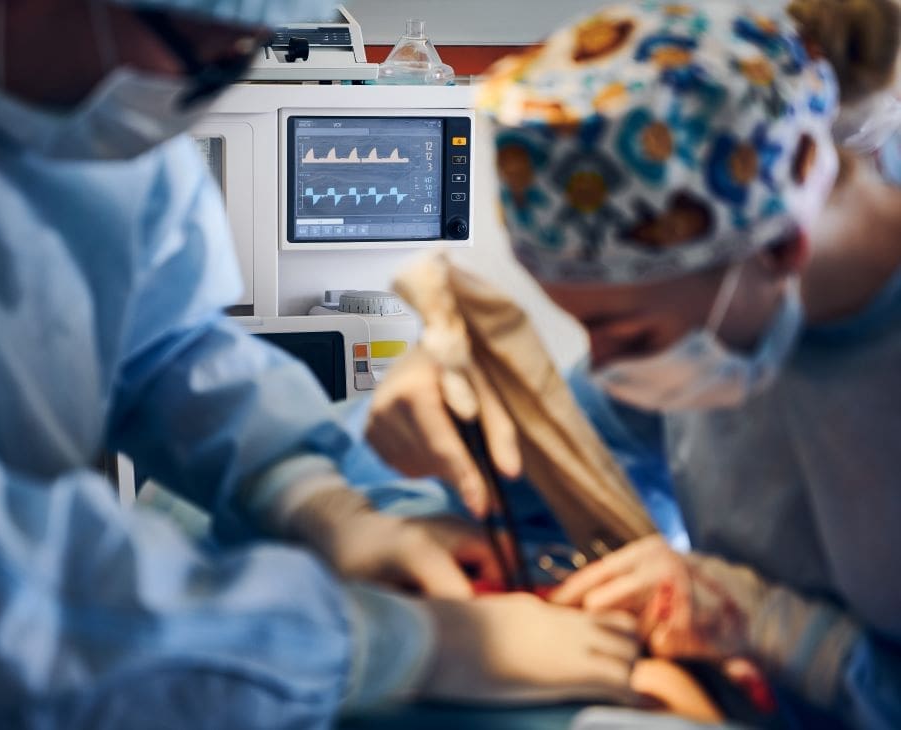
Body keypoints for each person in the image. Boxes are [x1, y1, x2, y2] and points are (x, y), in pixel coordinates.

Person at [0, 0, 647, 726]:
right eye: (199, 52)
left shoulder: (88, 124)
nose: (203, 95)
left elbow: (170, 343)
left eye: (240, 61)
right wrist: (390, 645)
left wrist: (312, 496)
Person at [367, 1, 901, 727]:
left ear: (779, 250)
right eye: (586, 328)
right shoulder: (720, 318)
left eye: (632, 335)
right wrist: (447, 436)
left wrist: (801, 641)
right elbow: (552, 483)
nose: (607, 365)